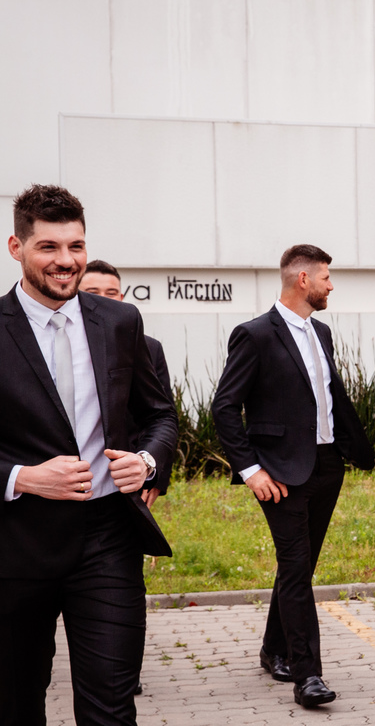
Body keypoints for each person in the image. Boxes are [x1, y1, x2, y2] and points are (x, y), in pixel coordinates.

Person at [0, 184, 178, 726]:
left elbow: (160, 416)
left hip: (107, 540)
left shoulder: (119, 323)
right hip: (15, 547)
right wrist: (22, 477)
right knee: (14, 703)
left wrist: (147, 461)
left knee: (110, 709)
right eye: (49, 247)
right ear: (17, 247)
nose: (66, 261)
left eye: (75, 247)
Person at [212, 244, 373, 709]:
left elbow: (325, 398)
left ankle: (272, 649)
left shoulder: (321, 332)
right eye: (326, 277)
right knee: (298, 571)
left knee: (297, 567)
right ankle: (309, 677)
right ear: (303, 280)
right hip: (279, 474)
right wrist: (251, 470)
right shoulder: (255, 334)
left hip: (325, 466)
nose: (330, 285)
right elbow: (224, 407)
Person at [81, 259, 173, 507]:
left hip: (130, 475)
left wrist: (155, 477)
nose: (104, 299)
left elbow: (162, 414)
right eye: (93, 293)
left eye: (111, 293)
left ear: (122, 296)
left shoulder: (149, 347)